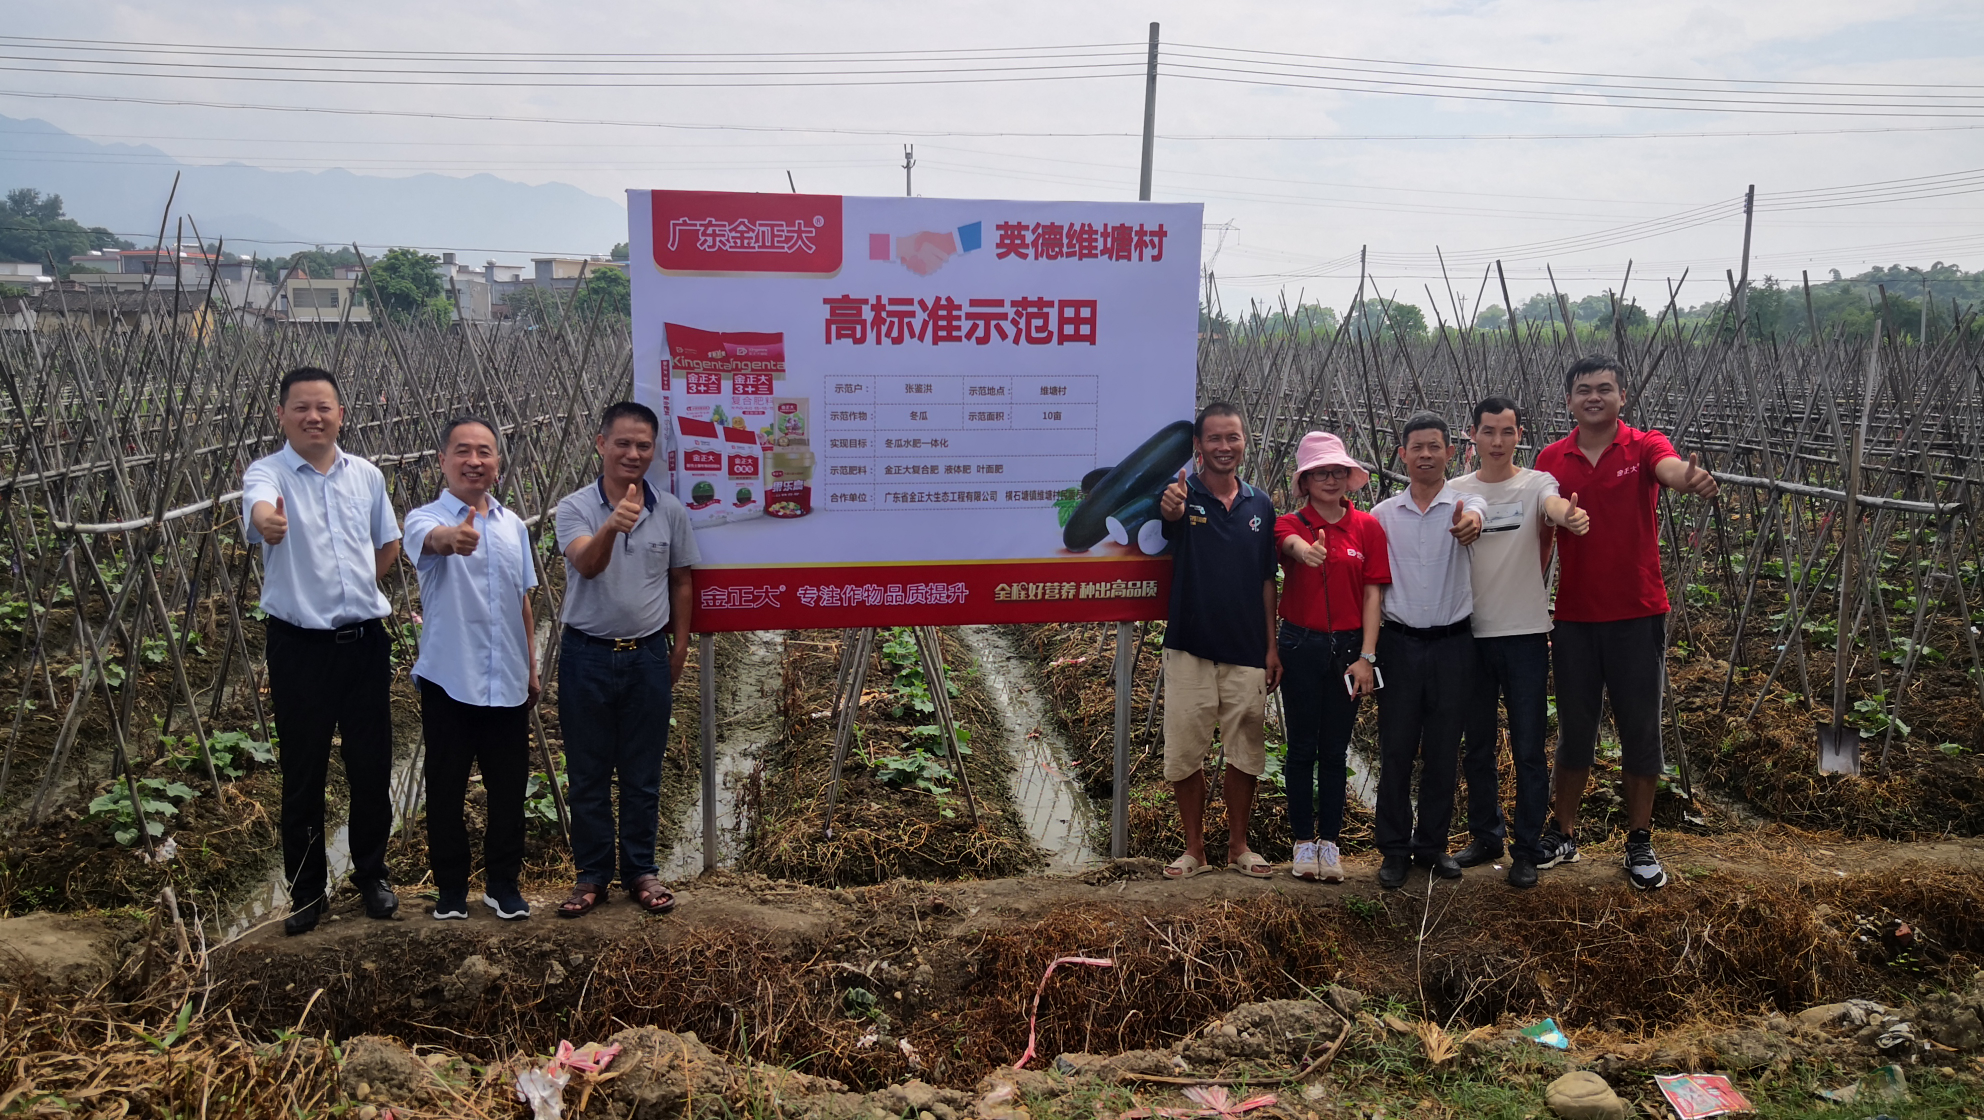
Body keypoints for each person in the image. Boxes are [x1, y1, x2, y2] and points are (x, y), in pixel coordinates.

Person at [1535, 356, 1718, 891]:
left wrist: (1686, 478)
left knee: (1641, 731)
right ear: (1569, 400)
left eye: (1605, 389)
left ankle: (1639, 839)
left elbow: (1669, 469)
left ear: (1622, 397)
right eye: (1584, 390)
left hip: (1638, 613)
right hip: (1573, 617)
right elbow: (1539, 516)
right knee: (1574, 730)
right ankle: (1562, 833)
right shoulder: (1552, 459)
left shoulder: (1643, 446)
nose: (1594, 397)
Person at [241, 367, 403, 936]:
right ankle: (307, 891)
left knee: (370, 764)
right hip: (299, 648)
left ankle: (372, 874)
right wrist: (268, 523)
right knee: (303, 772)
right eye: (302, 408)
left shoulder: (366, 476)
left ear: (341, 413)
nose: (314, 417)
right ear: (282, 415)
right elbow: (260, 510)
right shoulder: (268, 474)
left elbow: (389, 542)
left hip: (363, 643)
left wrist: (359, 585)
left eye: (324, 407)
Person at [553, 401, 699, 918]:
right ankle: (591, 875)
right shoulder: (573, 508)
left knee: (642, 773)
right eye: (622, 443)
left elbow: (682, 580)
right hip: (585, 656)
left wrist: (678, 647)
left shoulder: (672, 511)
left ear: (653, 450)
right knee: (588, 774)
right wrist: (613, 526)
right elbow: (587, 567)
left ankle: (641, 870)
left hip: (646, 657)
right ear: (600, 444)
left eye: (643, 445)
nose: (633, 453)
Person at [404, 416, 540, 922]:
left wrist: (530, 664)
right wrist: (452, 539)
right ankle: (451, 889)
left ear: (498, 464)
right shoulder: (424, 518)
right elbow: (434, 542)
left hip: (506, 677)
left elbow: (522, 600)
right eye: (463, 451)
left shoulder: (511, 526)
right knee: (445, 790)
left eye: (485, 452)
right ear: (443, 460)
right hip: (449, 679)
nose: (474, 461)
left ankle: (503, 886)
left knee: (508, 791)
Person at [1451, 397, 1590, 888]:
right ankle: (1486, 834)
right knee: (1478, 746)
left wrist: (1566, 517)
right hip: (1470, 635)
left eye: (1506, 432)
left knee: (1530, 746)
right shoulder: (1456, 491)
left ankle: (1527, 848)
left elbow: (1552, 506)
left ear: (1519, 434)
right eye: (1487, 431)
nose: (1496, 441)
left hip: (1527, 635)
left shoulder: (1536, 484)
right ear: (1473, 435)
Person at [1157, 401, 1281, 879]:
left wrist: (1271, 647)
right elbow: (1167, 519)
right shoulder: (1181, 498)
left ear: (1244, 442)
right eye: (1214, 439)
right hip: (1190, 645)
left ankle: (1238, 845)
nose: (1224, 447)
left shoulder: (1260, 504)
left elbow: (1267, 579)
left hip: (1247, 648)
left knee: (1245, 751)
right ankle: (1194, 849)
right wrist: (1171, 508)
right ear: (1198, 446)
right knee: (1186, 749)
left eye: (1232, 437)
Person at [1368, 412, 1486, 890]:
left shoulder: (1463, 505)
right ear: (1402, 455)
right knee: (1395, 749)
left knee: (1442, 750)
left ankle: (1432, 845)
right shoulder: (1381, 516)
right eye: (1416, 447)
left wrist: (1473, 522)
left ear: (1450, 453)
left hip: (1454, 644)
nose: (1425, 455)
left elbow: (1480, 509)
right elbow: (1371, 586)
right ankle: (1394, 849)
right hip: (1399, 644)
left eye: (1434, 447)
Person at [1273, 432, 1389, 884]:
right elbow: (1290, 548)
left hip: (1348, 650)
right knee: (1302, 747)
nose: (1330, 478)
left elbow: (1373, 595)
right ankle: (1303, 841)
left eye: (1338, 471)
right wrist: (1307, 551)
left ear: (1348, 478)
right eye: (1320, 471)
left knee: (1336, 751)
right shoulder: (1290, 524)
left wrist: (1367, 657)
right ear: (1304, 480)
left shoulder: (1368, 528)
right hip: (1300, 645)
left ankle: (1330, 843)